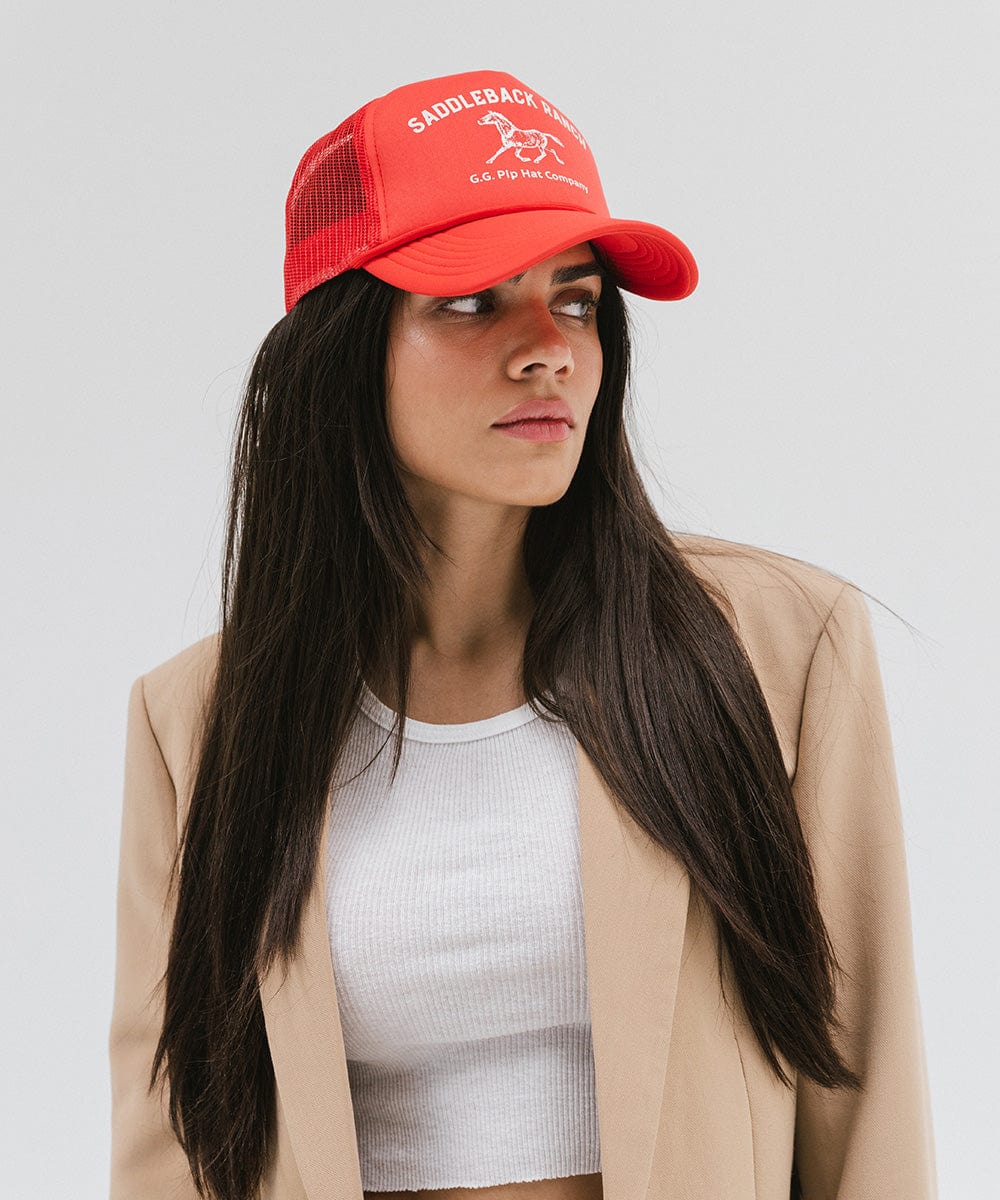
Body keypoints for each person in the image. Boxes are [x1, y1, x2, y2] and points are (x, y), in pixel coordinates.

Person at [107, 70, 937, 1200]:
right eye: (469, 302)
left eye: (578, 298)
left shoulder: (776, 650)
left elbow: (869, 1104)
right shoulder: (201, 725)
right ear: (344, 354)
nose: (549, 347)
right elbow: (172, 1148)